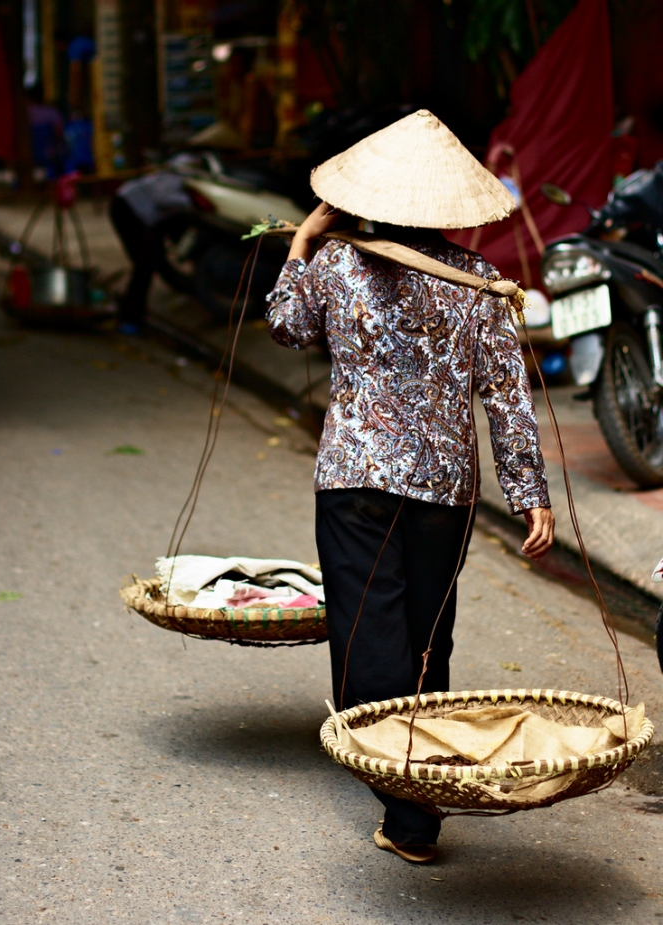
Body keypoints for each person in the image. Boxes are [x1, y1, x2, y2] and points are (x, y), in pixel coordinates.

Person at [265, 110, 555, 865]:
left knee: (371, 643)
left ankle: (408, 805)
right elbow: (507, 397)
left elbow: (286, 327)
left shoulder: (334, 264)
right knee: (427, 641)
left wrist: (300, 243)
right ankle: (418, 790)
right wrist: (531, 494)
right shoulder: (481, 282)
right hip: (443, 491)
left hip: (355, 482)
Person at [109, 157, 194, 333]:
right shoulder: (182, 173)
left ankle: (189, 288)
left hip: (141, 214)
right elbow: (163, 198)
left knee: (154, 259)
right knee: (145, 265)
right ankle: (130, 318)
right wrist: (190, 202)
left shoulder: (182, 168)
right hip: (129, 210)